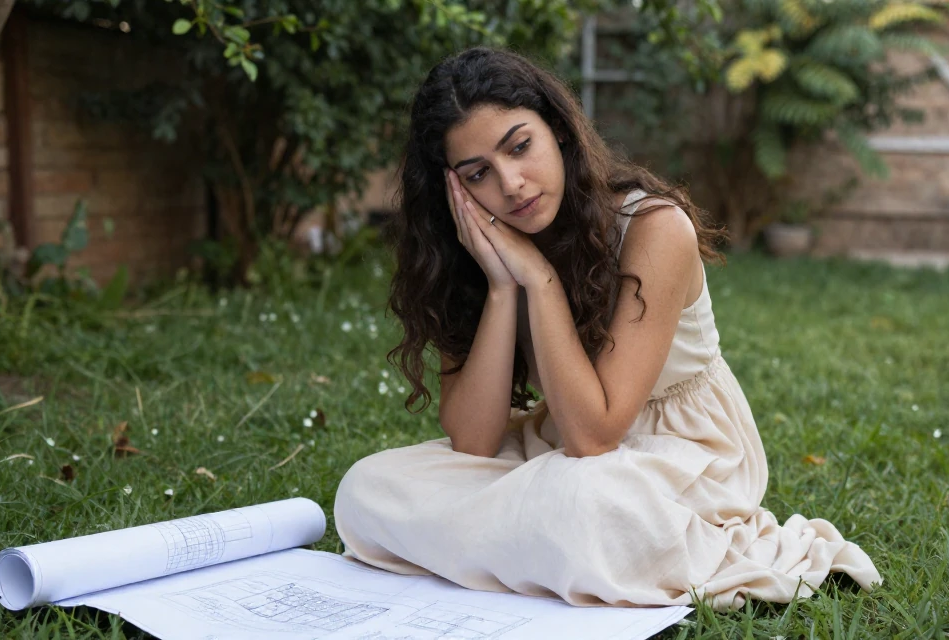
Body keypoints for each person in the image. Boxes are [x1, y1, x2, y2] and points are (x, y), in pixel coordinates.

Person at [333, 46, 881, 610]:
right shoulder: (480, 254)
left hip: (676, 461)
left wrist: (540, 282)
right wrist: (502, 287)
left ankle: (523, 536)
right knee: (367, 489)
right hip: (561, 454)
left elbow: (595, 436)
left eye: (520, 147)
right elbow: (473, 442)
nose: (513, 184)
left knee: (585, 505)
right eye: (479, 174)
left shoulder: (653, 227)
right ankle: (536, 539)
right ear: (455, 191)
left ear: (559, 132)